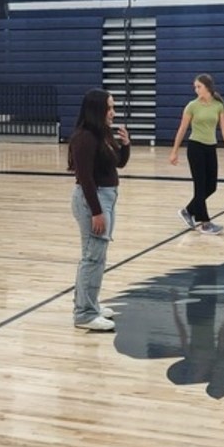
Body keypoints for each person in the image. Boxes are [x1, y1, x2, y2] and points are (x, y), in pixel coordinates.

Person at [68, 89, 130, 331]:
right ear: (97, 109)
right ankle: (84, 313)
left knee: (96, 256)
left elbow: (118, 163)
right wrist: (96, 211)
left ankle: (89, 303)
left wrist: (125, 145)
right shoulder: (84, 138)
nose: (113, 112)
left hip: (106, 197)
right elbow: (85, 178)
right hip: (92, 200)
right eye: (109, 108)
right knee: (92, 257)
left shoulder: (101, 134)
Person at [169, 73, 224, 235]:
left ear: (208, 87)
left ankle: (188, 211)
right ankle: (205, 223)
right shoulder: (192, 106)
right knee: (200, 186)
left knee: (211, 186)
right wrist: (174, 151)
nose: (196, 89)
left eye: (199, 86)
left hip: (210, 147)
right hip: (195, 147)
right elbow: (182, 129)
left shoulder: (219, 106)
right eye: (195, 87)